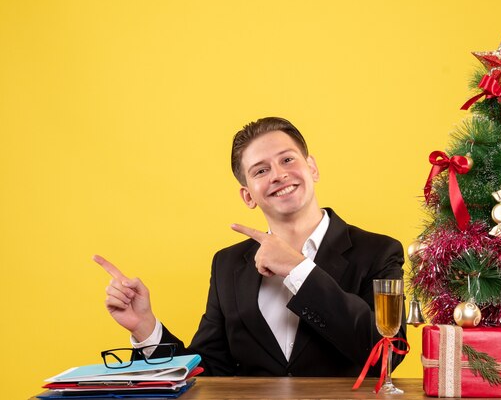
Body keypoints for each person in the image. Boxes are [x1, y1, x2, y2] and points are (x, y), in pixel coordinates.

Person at [95, 116, 406, 377]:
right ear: (247, 196)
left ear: (312, 168)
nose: (279, 175)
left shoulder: (379, 252)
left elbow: (386, 354)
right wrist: (146, 328)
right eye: (261, 170)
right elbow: (208, 372)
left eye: (287, 159)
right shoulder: (227, 265)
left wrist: (299, 270)